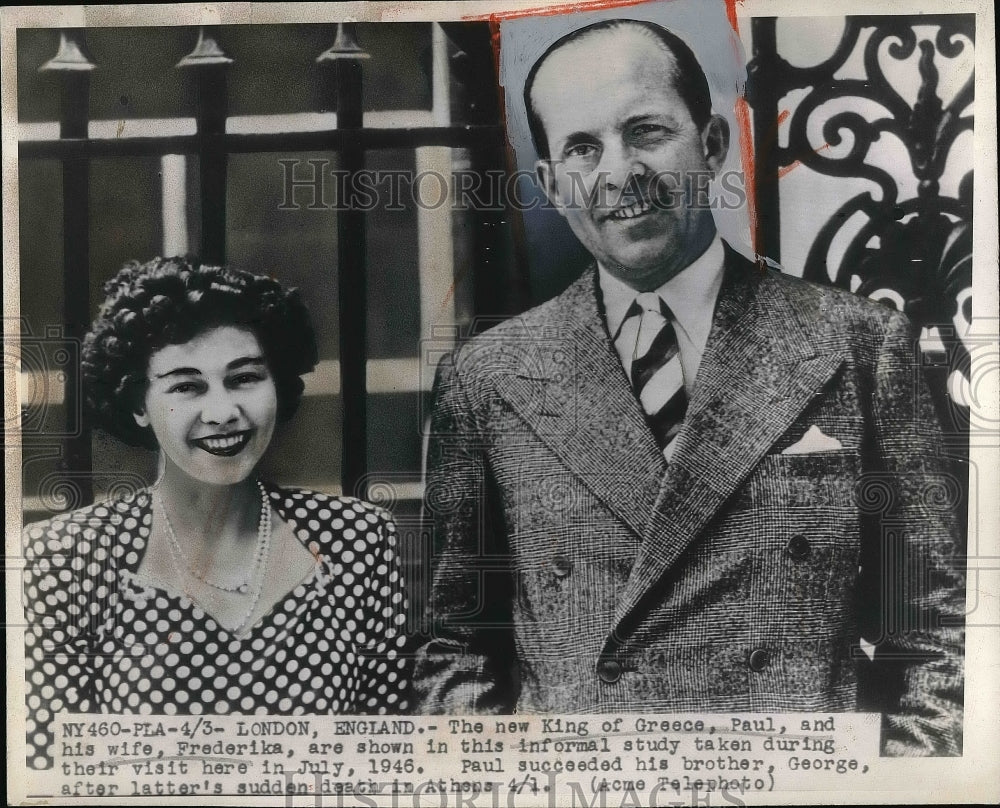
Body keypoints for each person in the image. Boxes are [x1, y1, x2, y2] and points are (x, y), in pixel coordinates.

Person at [413, 19, 964, 756]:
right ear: (548, 183)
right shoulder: (486, 378)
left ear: (711, 143)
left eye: (646, 131)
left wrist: (898, 781)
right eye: (582, 147)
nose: (618, 172)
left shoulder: (855, 345)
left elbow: (934, 621)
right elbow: (454, 647)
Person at [23, 257, 410, 769]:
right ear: (138, 403)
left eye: (244, 378)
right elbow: (52, 772)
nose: (223, 412)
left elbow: (389, 760)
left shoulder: (357, 540)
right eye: (187, 386)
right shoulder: (65, 558)